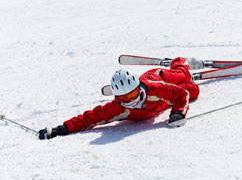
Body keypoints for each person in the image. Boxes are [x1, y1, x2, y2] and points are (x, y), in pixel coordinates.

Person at [38, 57, 200, 139]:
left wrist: (178, 113)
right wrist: (60, 129)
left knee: (182, 75)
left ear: (138, 88)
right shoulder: (118, 108)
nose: (131, 100)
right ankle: (189, 81)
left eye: (133, 94)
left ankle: (180, 61)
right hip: (161, 104)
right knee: (193, 90)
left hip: (159, 77)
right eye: (125, 97)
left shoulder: (154, 88)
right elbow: (89, 118)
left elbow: (180, 95)